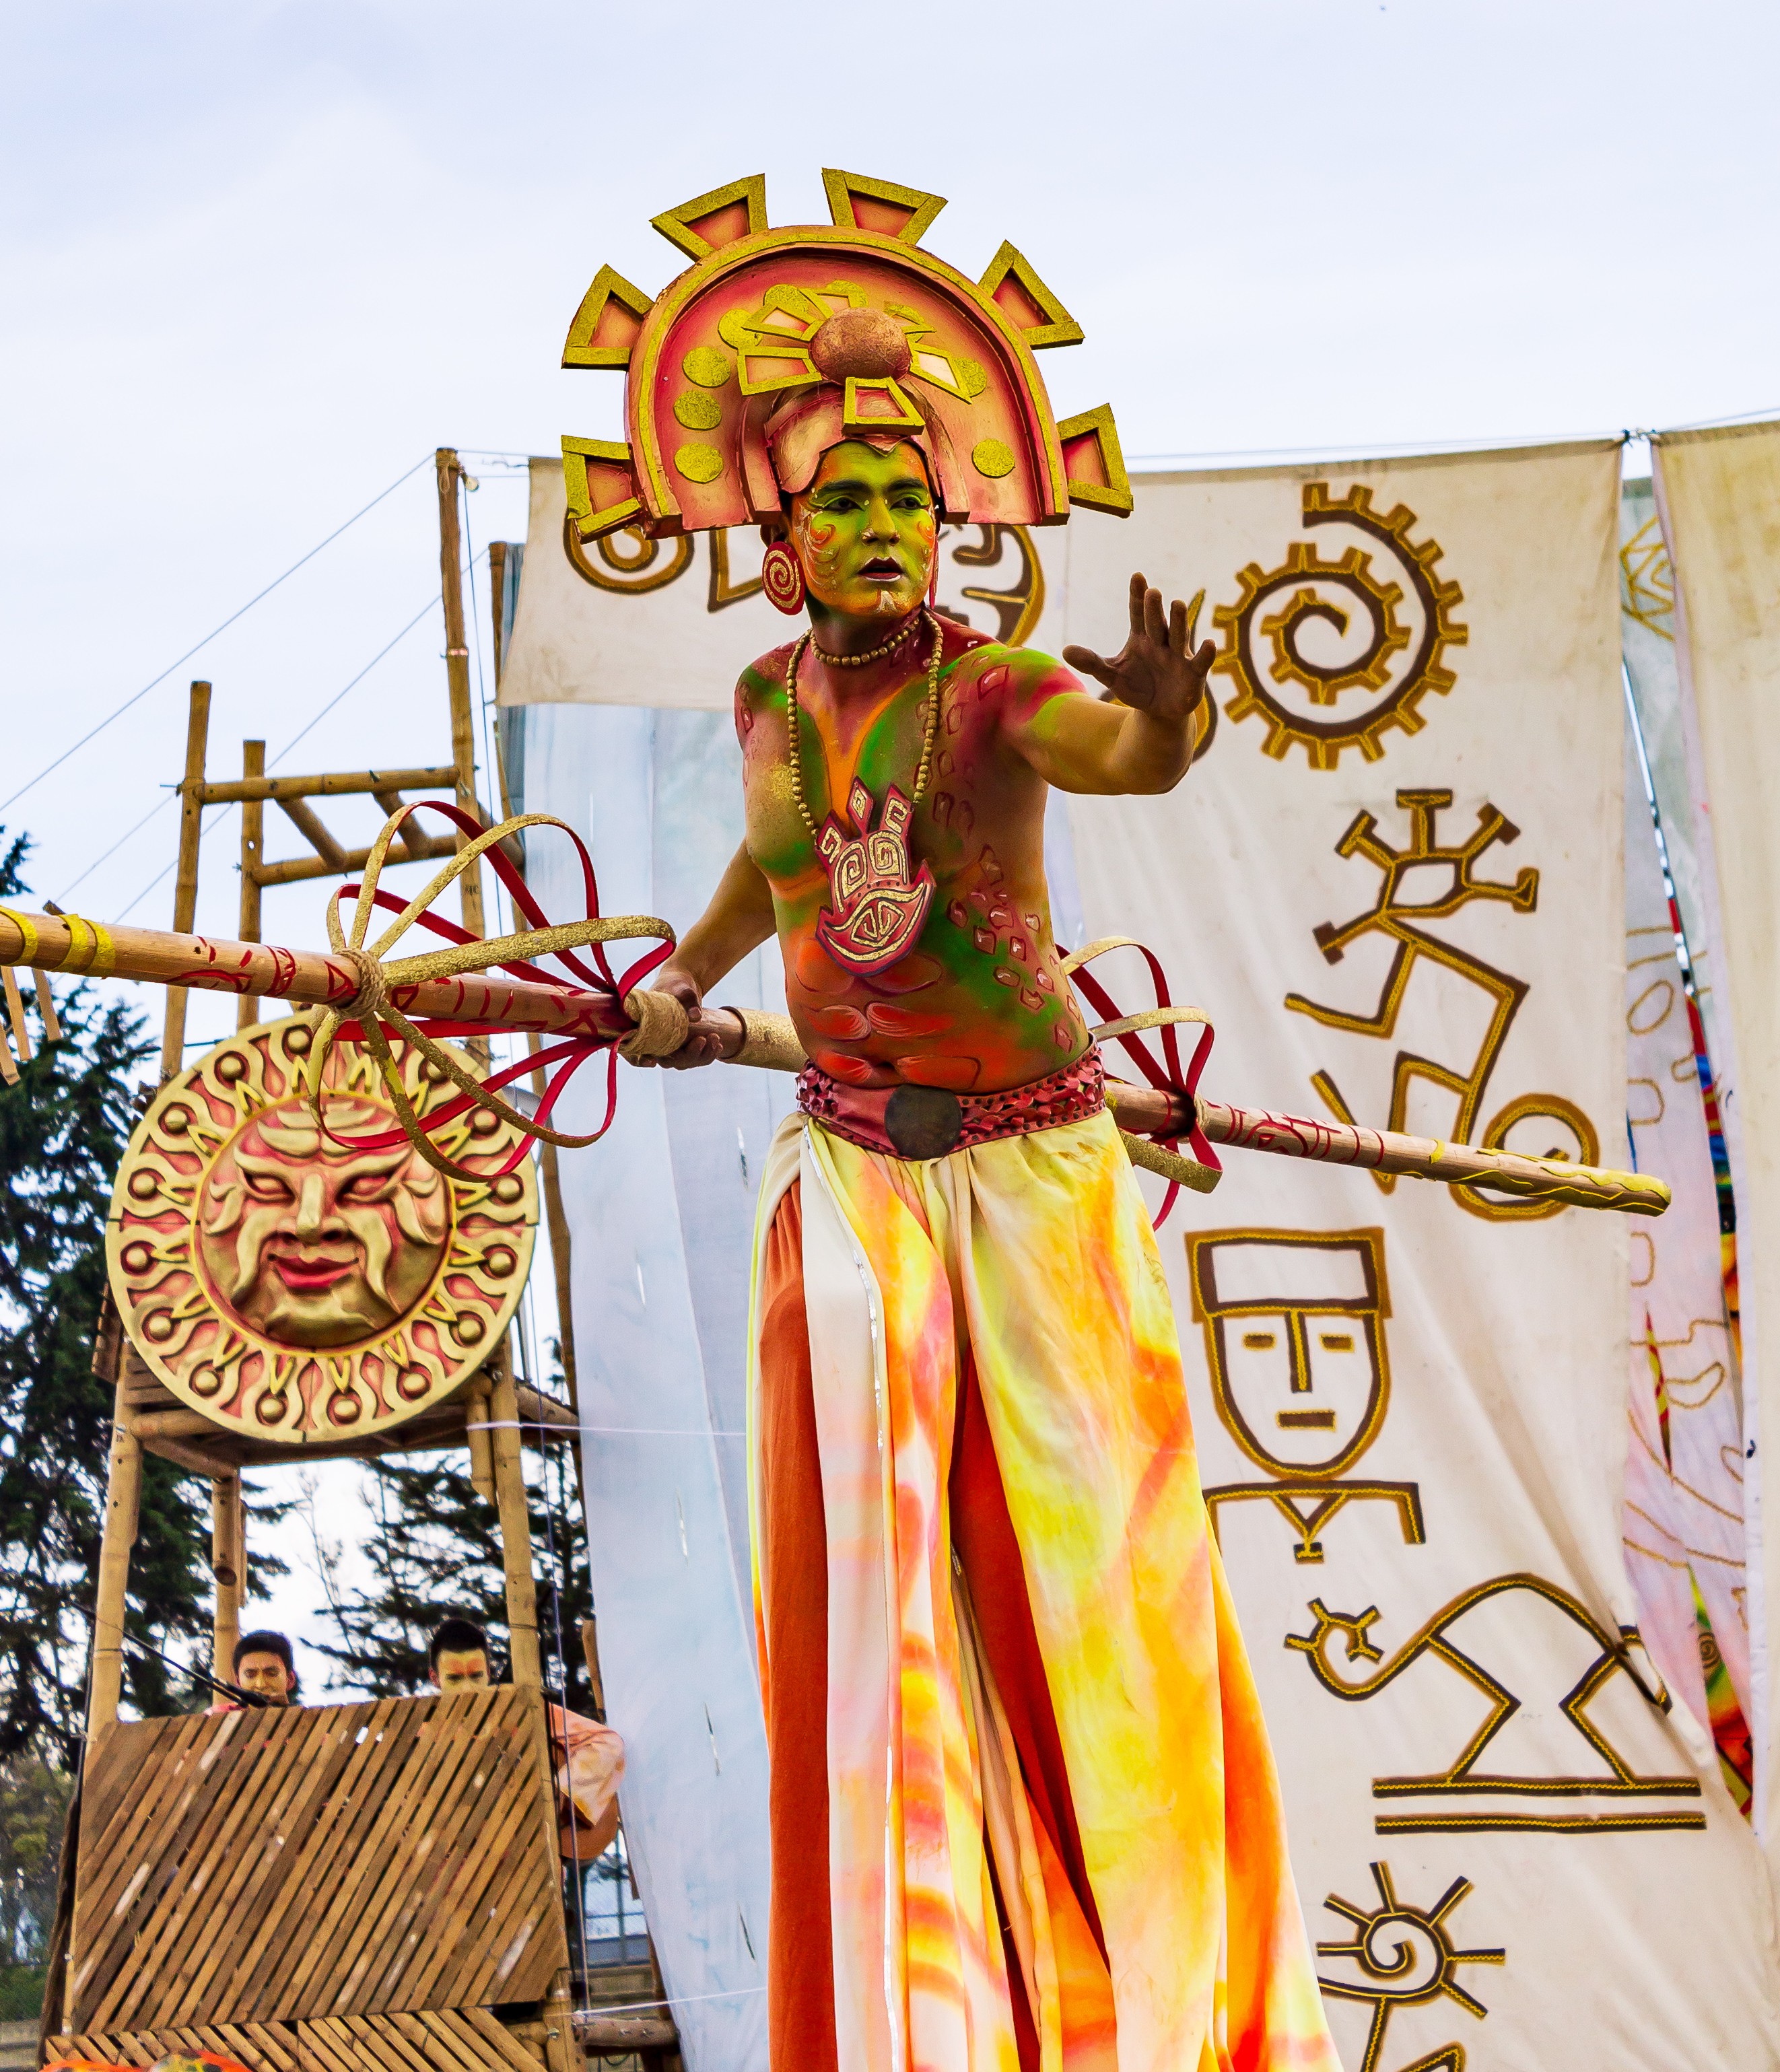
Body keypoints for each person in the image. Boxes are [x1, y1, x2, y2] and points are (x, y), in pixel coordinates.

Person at [568, 180, 1338, 2070]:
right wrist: (677, 987)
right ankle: (920, 2023)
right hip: (847, 1165)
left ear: (950, 517)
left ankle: (1172, 2021)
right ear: (783, 528)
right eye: (848, 497)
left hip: (1035, 1169)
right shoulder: (766, 698)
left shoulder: (996, 686)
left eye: (912, 496)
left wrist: (1171, 720)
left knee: (1099, 1582)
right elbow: (777, 884)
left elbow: (1118, 751)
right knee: (875, 1605)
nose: (886, 525)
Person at [425, 1615, 625, 1865]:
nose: (468, 1688)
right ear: (435, 1678)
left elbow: (607, 1744)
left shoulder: (523, 1711)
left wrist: (556, 1795)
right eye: (455, 1678)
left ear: (488, 1673)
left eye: (476, 1676)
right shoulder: (419, 1736)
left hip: (531, 1866)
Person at [210, 1629, 299, 1711]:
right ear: (238, 1682)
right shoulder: (216, 1716)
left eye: (271, 1674)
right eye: (250, 1675)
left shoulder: (307, 1719)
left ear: (290, 1680)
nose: (260, 1685)